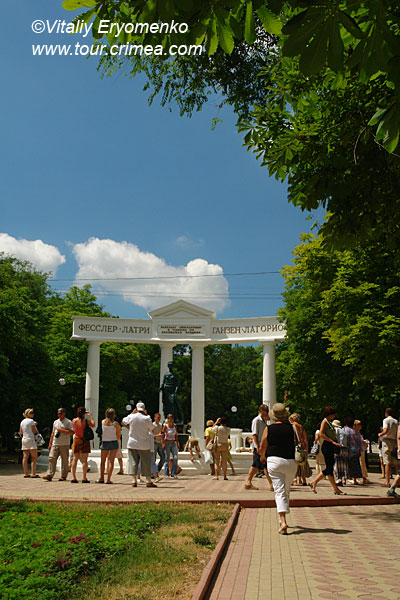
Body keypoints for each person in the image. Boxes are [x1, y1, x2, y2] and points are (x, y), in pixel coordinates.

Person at [259, 403, 304, 534]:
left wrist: (262, 456)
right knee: (286, 490)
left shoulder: (269, 428)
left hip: (274, 461)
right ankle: (283, 517)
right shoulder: (293, 428)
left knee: (279, 491)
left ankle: (282, 520)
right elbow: (301, 443)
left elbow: (262, 446)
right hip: (290, 462)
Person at [309, 407, 344, 495]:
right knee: (329, 468)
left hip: (330, 446)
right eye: (333, 414)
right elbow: (321, 433)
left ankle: (316, 483)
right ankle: (335, 488)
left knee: (329, 468)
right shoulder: (324, 422)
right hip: (327, 446)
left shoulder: (329, 422)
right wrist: (332, 441)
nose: (334, 416)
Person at [122, 402, 157, 488]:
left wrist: (131, 414)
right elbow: (152, 427)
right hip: (144, 444)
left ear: (136, 409)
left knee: (133, 462)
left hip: (132, 443)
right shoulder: (147, 418)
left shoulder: (131, 416)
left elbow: (123, 421)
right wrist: (146, 415)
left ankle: (134, 480)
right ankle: (148, 480)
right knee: (146, 462)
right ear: (144, 409)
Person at [244, 405, 273, 491]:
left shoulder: (264, 421)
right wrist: (257, 446)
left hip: (263, 446)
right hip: (259, 446)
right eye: (266, 411)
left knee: (259, 465)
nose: (267, 412)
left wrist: (267, 417)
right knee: (261, 465)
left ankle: (248, 482)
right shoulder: (256, 420)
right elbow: (254, 434)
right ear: (261, 410)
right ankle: (271, 484)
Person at [42, 408, 74, 481]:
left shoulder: (68, 422)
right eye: (58, 413)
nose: (59, 415)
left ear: (64, 413)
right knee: (51, 458)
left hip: (64, 443)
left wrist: (63, 431)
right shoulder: (55, 422)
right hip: (55, 443)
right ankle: (50, 474)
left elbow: (72, 432)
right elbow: (53, 433)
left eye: (60, 413)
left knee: (64, 460)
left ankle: (63, 476)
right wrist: (50, 443)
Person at [96, 408, 121, 484]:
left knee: (103, 461)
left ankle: (101, 477)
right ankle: (108, 479)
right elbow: (118, 435)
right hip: (113, 442)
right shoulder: (115, 424)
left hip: (105, 442)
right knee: (111, 461)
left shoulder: (103, 422)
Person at [71, 406, 95, 483]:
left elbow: (73, 429)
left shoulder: (74, 420)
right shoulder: (86, 421)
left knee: (75, 459)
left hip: (77, 439)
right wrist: (91, 416)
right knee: (85, 460)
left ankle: (74, 477)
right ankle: (84, 477)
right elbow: (93, 424)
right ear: (84, 413)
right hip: (84, 440)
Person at [378, 408, 398, 487]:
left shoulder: (386, 420)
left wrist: (380, 434)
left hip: (387, 441)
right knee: (396, 462)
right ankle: (397, 481)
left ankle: (387, 481)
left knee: (387, 462)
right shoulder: (396, 421)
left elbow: (385, 430)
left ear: (386, 413)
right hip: (394, 441)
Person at [289, 413, 310, 485]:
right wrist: (306, 448)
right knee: (301, 462)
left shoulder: (291, 426)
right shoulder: (301, 427)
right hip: (301, 446)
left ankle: (294, 479)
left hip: (293, 446)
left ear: (291, 419)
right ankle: (303, 479)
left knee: (293, 462)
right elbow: (305, 439)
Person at [343, 417, 364, 485]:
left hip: (345, 450)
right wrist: (361, 449)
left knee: (345, 465)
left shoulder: (343, 430)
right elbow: (359, 441)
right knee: (355, 465)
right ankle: (355, 479)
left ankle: (344, 480)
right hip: (355, 450)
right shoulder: (355, 432)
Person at [19, 408, 38, 478]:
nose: (33, 414)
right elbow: (34, 431)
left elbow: (21, 432)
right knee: (34, 457)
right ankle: (33, 473)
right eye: (31, 412)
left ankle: (26, 473)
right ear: (28, 414)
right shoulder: (31, 421)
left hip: (24, 439)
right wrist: (35, 425)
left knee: (25, 457)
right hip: (30, 439)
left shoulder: (22, 421)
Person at [354, 420, 371, 484]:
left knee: (362, 463)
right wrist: (365, 442)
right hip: (358, 450)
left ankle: (362, 477)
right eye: (359, 424)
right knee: (360, 463)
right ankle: (359, 478)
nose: (360, 426)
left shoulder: (358, 432)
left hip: (360, 450)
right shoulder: (355, 432)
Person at [162, 413, 179, 478]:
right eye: (169, 418)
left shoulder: (175, 426)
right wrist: (163, 443)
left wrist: (177, 442)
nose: (170, 420)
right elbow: (162, 434)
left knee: (175, 457)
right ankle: (166, 474)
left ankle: (173, 473)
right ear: (168, 419)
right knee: (167, 458)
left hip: (173, 443)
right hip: (167, 442)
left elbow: (176, 434)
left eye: (172, 418)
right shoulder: (166, 426)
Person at [332, 419, 348, 486]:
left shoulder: (336, 430)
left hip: (338, 448)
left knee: (337, 464)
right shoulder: (343, 430)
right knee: (344, 464)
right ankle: (344, 478)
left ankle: (338, 479)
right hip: (345, 448)